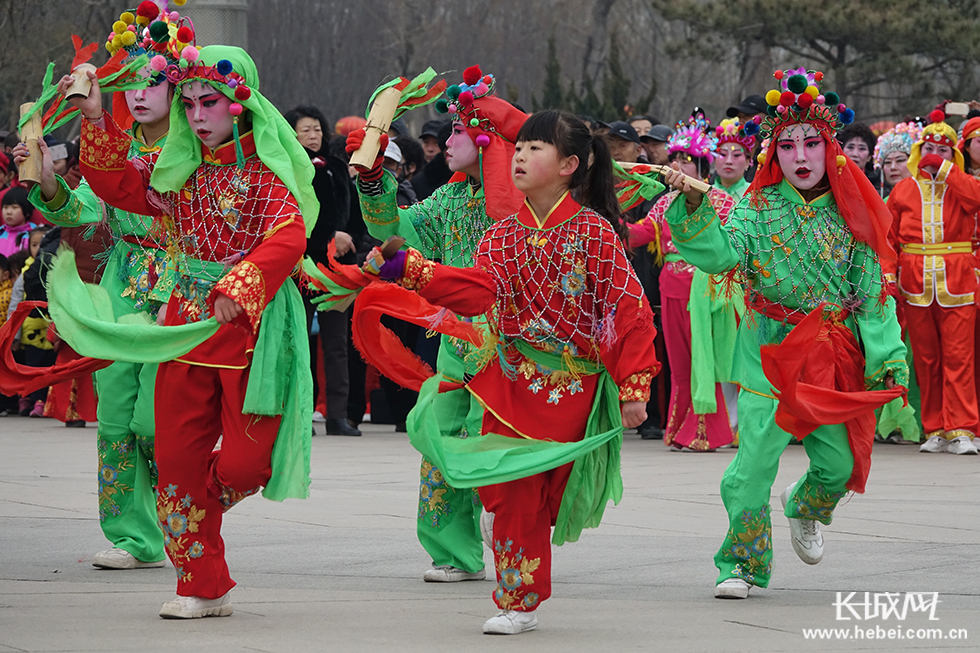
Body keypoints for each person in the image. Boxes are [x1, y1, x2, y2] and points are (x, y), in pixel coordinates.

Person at [359, 109, 659, 634]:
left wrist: (635, 385)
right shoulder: (501, 236)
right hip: (510, 379)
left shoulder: (594, 232)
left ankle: (520, 584)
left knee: (543, 491)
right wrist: (415, 270)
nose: (518, 155)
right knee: (512, 488)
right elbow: (478, 293)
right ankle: (518, 599)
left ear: (569, 165)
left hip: (570, 384)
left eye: (534, 148)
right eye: (518, 147)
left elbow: (628, 312)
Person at [63, 43, 316, 618]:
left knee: (246, 465)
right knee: (177, 456)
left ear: (240, 105)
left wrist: (242, 284)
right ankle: (202, 585)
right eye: (191, 103)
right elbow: (114, 183)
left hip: (250, 325)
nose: (198, 115)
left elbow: (291, 234)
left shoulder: (264, 173)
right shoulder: (177, 169)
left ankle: (199, 502)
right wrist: (97, 117)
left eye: (211, 102)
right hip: (183, 322)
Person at [664, 68, 907, 599]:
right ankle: (742, 565)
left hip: (827, 351)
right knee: (751, 465)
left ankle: (803, 506)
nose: (800, 155)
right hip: (767, 349)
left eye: (812, 144)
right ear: (774, 152)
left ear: (831, 150)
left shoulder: (852, 215)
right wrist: (691, 208)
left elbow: (870, 293)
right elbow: (721, 255)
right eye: (788, 144)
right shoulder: (757, 207)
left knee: (839, 464)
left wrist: (888, 354)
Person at [341, 65, 526, 585]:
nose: (448, 140)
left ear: (489, 138)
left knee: (485, 438)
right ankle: (453, 552)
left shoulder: (523, 200)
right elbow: (392, 229)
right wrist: (375, 178)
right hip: (456, 337)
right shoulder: (448, 198)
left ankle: (512, 534)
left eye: (461, 131)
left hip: (512, 342)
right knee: (439, 435)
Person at [13, 1, 182, 567]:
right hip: (123, 281)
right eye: (128, 82)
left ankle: (177, 522)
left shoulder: (199, 151)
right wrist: (52, 178)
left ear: (175, 86)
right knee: (114, 416)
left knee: (155, 418)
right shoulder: (115, 147)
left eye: (151, 80)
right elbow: (86, 211)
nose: (138, 93)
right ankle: (132, 537)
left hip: (180, 284)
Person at [629, 116, 739, 451]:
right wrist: (604, 219)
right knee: (679, 363)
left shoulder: (721, 201)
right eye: (675, 159)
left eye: (687, 161)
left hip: (707, 290)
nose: (678, 166)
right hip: (671, 286)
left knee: (704, 360)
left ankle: (708, 431)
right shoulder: (664, 202)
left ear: (703, 166)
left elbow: (730, 247)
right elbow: (640, 234)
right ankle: (679, 427)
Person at [886, 111, 980, 455]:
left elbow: (977, 199)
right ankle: (935, 427)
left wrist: (946, 171)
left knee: (960, 357)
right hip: (916, 283)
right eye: (929, 148)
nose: (934, 155)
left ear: (953, 154)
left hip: (957, 280)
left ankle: (963, 428)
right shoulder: (903, 190)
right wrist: (888, 275)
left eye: (943, 150)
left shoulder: (963, 185)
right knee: (926, 360)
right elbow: (889, 239)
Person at [284, 104, 360, 437]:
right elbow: (291, 221)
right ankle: (302, 410)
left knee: (337, 342)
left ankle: (337, 415)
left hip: (336, 270)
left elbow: (356, 217)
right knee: (299, 341)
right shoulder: (287, 168)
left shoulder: (338, 167)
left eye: (317, 129)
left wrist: (351, 241)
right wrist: (329, 237)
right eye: (305, 130)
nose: (313, 136)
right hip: (300, 266)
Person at [874, 121, 922, 199]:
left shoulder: (928, 199)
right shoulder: (884, 202)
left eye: (900, 160)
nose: (893, 167)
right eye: (887, 162)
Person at [713, 118, 755, 200]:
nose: (729, 161)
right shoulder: (702, 194)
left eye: (736, 155)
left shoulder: (756, 195)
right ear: (714, 160)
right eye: (722, 154)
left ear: (747, 162)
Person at [0, 188, 38, 257]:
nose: (8, 212)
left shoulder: (34, 233)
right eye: (5, 207)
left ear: (27, 212)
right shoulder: (1, 232)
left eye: (14, 207)